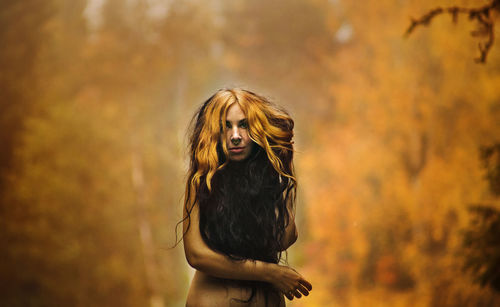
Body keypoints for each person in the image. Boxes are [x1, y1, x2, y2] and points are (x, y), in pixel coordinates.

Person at [182, 88, 312, 306]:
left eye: (243, 124)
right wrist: (270, 273)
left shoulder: (269, 180)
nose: (235, 136)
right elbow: (196, 255)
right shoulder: (201, 180)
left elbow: (285, 238)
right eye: (226, 127)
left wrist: (284, 167)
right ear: (214, 132)